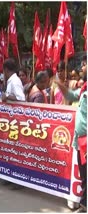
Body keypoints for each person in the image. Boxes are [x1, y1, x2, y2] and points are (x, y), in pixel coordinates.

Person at [54, 64, 87, 213]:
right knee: (84, 175)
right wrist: (60, 84)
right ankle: (85, 205)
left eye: (85, 64)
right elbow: (69, 96)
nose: (82, 66)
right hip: (81, 142)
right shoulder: (84, 89)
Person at [1, 58, 25, 190]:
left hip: (17, 121)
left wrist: (7, 97)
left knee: (16, 151)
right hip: (10, 121)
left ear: (6, 70)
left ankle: (18, 179)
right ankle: (11, 176)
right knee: (10, 150)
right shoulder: (11, 81)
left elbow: (22, 99)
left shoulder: (15, 81)